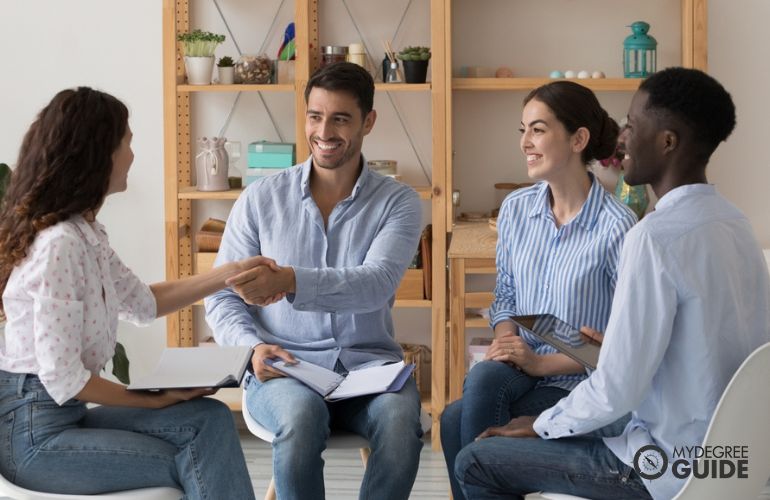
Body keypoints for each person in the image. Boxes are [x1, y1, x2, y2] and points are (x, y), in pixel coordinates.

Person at [454, 68, 770, 500]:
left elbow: (619, 387)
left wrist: (540, 426)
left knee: (476, 460)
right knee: (468, 414)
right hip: (736, 461)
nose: (619, 138)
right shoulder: (736, 226)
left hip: (662, 464)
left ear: (667, 142)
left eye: (633, 125)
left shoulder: (651, 237)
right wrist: (613, 346)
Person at [0, 87, 262, 498]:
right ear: (96, 155)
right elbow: (64, 378)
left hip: (63, 417)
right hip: (33, 437)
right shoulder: (61, 244)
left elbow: (143, 303)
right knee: (191, 454)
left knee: (208, 420)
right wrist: (152, 400)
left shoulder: (86, 235)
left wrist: (228, 273)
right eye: (127, 142)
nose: (132, 155)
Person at [204, 61, 424, 500]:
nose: (324, 131)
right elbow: (223, 300)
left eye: (341, 118)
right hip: (284, 369)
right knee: (301, 417)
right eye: (315, 116)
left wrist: (290, 280)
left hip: (369, 370)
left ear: (369, 122)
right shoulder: (260, 199)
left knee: (401, 424)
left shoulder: (399, 202)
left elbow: (376, 283)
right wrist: (252, 349)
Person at [439, 80, 637, 500]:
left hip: (576, 382)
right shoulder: (516, 210)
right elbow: (506, 294)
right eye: (523, 130)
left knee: (455, 420)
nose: (525, 142)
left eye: (539, 130)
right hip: (516, 371)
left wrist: (537, 363)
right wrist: (506, 341)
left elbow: (621, 349)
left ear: (578, 139)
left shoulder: (617, 226)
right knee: (485, 377)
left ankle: (489, 477)